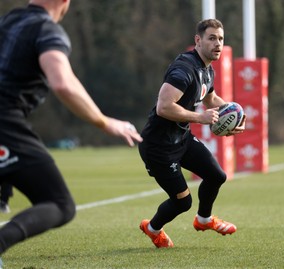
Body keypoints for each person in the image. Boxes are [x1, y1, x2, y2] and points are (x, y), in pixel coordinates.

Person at [0, 0, 143, 266]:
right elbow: (63, 84)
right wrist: (104, 122)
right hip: (5, 122)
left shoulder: (9, 20)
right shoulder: (47, 30)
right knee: (60, 204)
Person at [138, 19, 246, 248]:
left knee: (217, 176)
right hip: (159, 147)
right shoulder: (184, 70)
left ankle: (204, 220)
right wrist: (201, 118)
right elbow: (164, 107)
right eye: (212, 38)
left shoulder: (207, 69)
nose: (218, 44)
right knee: (183, 202)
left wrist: (233, 114)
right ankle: (152, 228)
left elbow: (211, 99)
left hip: (181, 139)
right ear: (198, 40)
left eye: (221, 39)